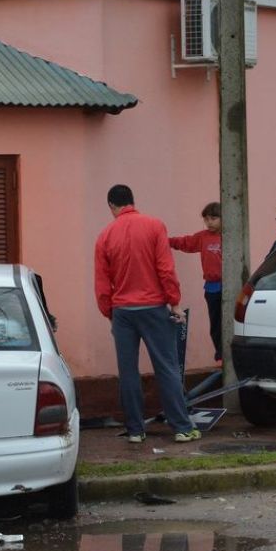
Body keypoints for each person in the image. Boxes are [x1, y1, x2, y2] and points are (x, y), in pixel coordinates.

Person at [94, 184, 199, 444]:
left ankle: (135, 430)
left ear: (111, 206)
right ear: (133, 201)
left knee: (128, 371)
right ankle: (182, 428)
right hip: (153, 308)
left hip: (122, 313)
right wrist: (173, 302)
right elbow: (165, 268)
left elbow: (102, 282)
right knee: (167, 367)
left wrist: (110, 312)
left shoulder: (105, 235)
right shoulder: (155, 226)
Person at [169, 201, 224, 364]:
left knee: (230, 323)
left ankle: (232, 353)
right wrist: (166, 241)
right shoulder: (203, 237)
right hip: (212, 287)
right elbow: (185, 242)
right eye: (206, 219)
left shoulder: (230, 235)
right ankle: (220, 354)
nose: (209, 222)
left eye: (214, 218)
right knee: (215, 324)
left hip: (229, 286)